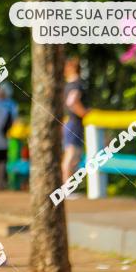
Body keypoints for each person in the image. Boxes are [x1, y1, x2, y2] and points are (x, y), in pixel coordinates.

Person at [62, 57, 88, 194]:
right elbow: (72, 102)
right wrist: (84, 113)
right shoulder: (77, 84)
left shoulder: (68, 84)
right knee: (72, 154)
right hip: (74, 123)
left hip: (69, 123)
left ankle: (69, 187)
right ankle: (67, 188)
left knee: (74, 155)